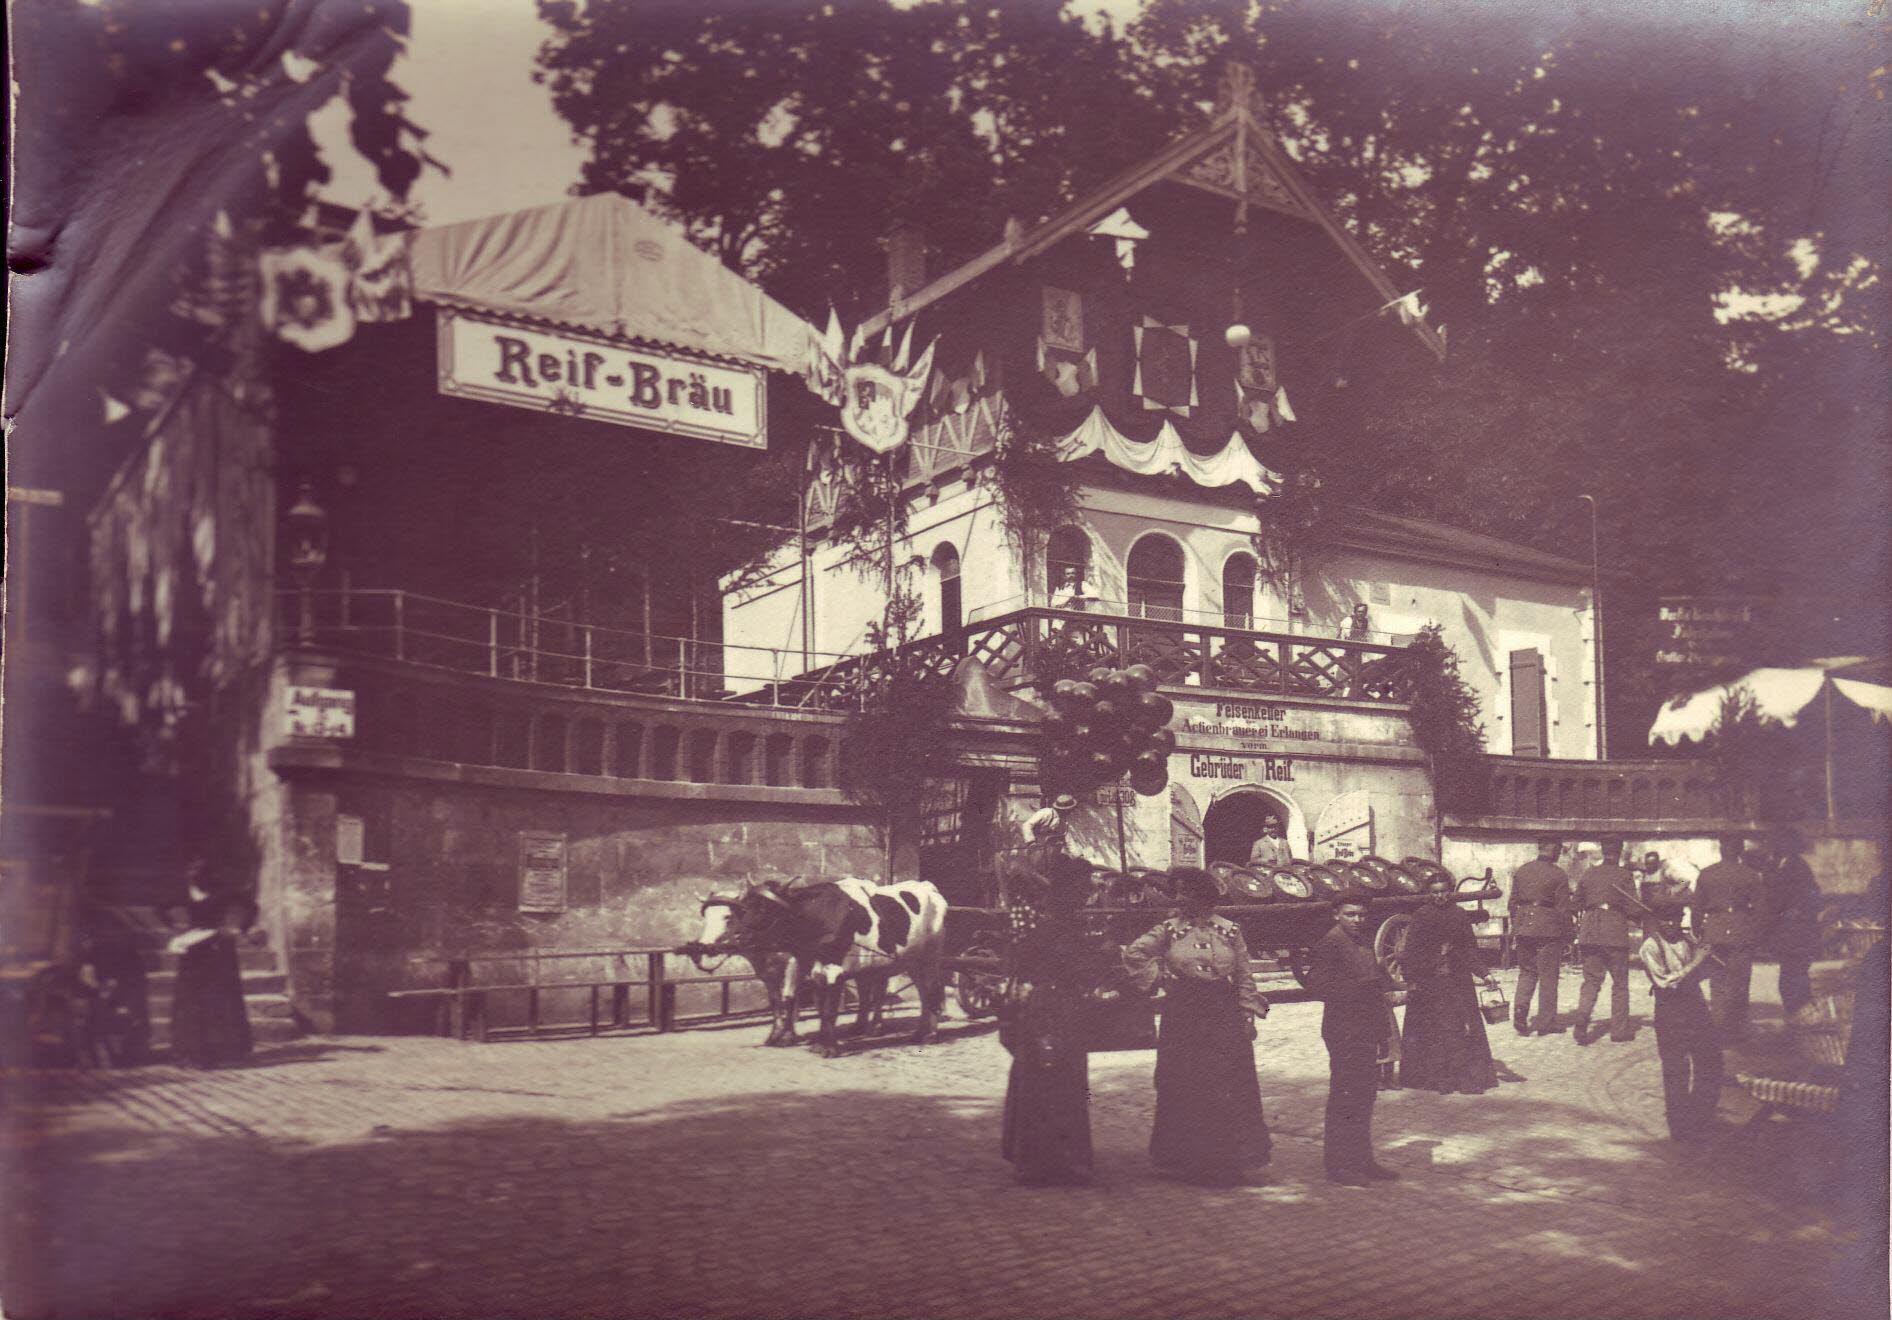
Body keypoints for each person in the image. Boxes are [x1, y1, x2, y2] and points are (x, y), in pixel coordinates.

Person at [1122, 867, 1272, 1186]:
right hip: (1183, 1015)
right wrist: (1160, 977)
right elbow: (1134, 954)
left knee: (1224, 1086)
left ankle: (1225, 1162)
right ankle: (1188, 1162)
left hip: (1222, 1014)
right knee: (1186, 1084)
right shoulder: (1168, 930)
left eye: (1187, 893)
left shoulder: (1230, 931)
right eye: (1178, 892)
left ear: (1204, 897)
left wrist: (1247, 1012)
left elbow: (1244, 975)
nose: (1181, 899)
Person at [1000, 857, 1108, 1186]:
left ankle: (1042, 1162)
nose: (1088, 895)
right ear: (1070, 892)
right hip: (1051, 1010)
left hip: (1055, 1009)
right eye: (1083, 889)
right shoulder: (1057, 927)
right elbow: (1072, 969)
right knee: (1056, 1084)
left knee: (1056, 1084)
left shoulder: (1056, 924)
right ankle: (1052, 1164)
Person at [1304, 896, 1398, 1185]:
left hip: (1366, 1026)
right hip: (1344, 1029)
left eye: (1361, 914)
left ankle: (1362, 1160)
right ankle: (1339, 1165)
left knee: (1364, 1095)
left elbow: (1376, 980)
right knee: (1345, 1097)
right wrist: (1359, 988)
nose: (1357, 919)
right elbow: (1315, 986)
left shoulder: (1362, 940)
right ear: (1337, 915)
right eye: (1350, 914)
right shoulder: (1330, 943)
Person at [1399, 877, 1498, 1094]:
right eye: (1434, 892)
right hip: (1430, 982)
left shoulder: (1459, 915)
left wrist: (1485, 974)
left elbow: (1469, 949)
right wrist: (1417, 976)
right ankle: (1439, 1079)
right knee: (1434, 1031)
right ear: (1429, 893)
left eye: (1443, 891)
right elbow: (1411, 952)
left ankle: (1466, 1078)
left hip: (1458, 981)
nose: (1439, 896)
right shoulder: (1421, 916)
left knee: (1463, 1028)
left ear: (1450, 892)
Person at [1635, 901, 1724, 1142]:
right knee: (1676, 1069)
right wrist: (1697, 961)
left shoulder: (1687, 940)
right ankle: (1680, 1127)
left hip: (1696, 1005)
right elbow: (1667, 982)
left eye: (1676, 920)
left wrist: (1706, 957)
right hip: (1670, 1009)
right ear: (1657, 922)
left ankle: (1700, 1116)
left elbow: (1704, 974)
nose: (1672, 925)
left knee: (1711, 1061)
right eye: (1666, 921)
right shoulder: (1650, 947)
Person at [165, 864, 257, 1068]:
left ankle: (225, 1050)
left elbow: (250, 907)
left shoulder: (224, 892)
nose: (195, 877)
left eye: (199, 873)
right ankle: (192, 1051)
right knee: (190, 1001)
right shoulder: (183, 895)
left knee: (219, 999)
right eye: (191, 873)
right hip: (194, 951)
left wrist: (237, 927)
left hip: (219, 951)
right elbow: (163, 909)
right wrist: (176, 927)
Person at [1694, 834, 1764, 1040]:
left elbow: (1697, 908)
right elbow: (1761, 909)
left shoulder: (1707, 874)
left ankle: (1718, 1028)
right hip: (1741, 930)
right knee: (1740, 982)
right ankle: (1737, 1029)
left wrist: (1698, 931)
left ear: (1721, 849)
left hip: (1714, 930)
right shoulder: (1751, 875)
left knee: (1717, 982)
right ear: (1740, 851)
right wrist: (1756, 934)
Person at [1571, 837, 1637, 1046]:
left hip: (1590, 931)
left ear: (1603, 851)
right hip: (1614, 932)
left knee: (1591, 980)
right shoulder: (1624, 875)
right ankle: (1619, 1030)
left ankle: (1582, 1017)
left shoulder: (1589, 873)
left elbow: (1575, 904)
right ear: (1619, 851)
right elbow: (1633, 908)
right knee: (1620, 983)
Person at [1509, 838, 1572, 1036]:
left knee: (1527, 972)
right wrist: (1568, 935)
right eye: (1559, 849)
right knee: (1548, 976)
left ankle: (1520, 1008)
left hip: (1524, 927)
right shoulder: (1558, 874)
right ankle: (1546, 1023)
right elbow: (1563, 909)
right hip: (1549, 929)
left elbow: (1512, 904)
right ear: (1552, 848)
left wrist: (1517, 925)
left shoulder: (1522, 870)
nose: (1560, 852)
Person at [1763, 828, 1821, 1022]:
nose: (1773, 847)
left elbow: (1811, 897)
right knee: (1790, 975)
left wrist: (1796, 910)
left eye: (1779, 843)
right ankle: (1796, 1015)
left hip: (1797, 931)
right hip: (1787, 932)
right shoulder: (1778, 866)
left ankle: (1800, 1017)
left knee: (1794, 976)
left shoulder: (1797, 866)